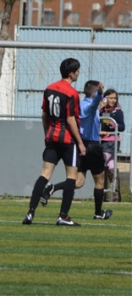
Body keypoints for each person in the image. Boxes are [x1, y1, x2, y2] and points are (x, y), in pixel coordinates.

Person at [22, 58, 86, 227]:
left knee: (44, 174)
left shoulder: (49, 89)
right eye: (78, 70)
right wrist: (80, 143)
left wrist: (47, 134)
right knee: (71, 177)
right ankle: (63, 216)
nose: (79, 73)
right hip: (67, 139)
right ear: (71, 73)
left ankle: (30, 213)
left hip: (51, 137)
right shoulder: (72, 93)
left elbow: (44, 115)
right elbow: (71, 120)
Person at [41, 80, 113, 220]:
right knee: (99, 180)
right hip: (92, 146)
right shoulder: (90, 106)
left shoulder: (79, 106)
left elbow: (86, 119)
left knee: (78, 181)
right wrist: (100, 94)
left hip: (80, 145)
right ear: (94, 92)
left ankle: (53, 188)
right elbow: (92, 106)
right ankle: (98, 213)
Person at [99, 89, 125, 202]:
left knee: (109, 164)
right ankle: (106, 194)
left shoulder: (118, 112)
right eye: (111, 98)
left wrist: (113, 125)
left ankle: (114, 194)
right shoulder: (101, 110)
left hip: (112, 140)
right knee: (106, 165)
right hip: (101, 140)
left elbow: (122, 127)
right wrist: (100, 106)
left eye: (115, 98)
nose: (113, 100)